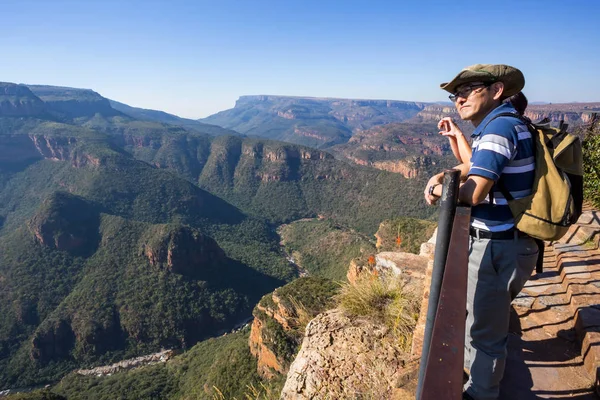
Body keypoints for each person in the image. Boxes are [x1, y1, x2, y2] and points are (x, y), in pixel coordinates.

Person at [424, 65, 539, 400]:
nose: (459, 97)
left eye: (469, 89)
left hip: (497, 248)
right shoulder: (503, 125)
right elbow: (480, 164)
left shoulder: (498, 130)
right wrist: (458, 138)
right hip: (510, 244)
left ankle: (481, 394)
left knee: (484, 332)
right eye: (454, 93)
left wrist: (437, 189)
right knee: (477, 318)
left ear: (497, 90)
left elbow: (474, 191)